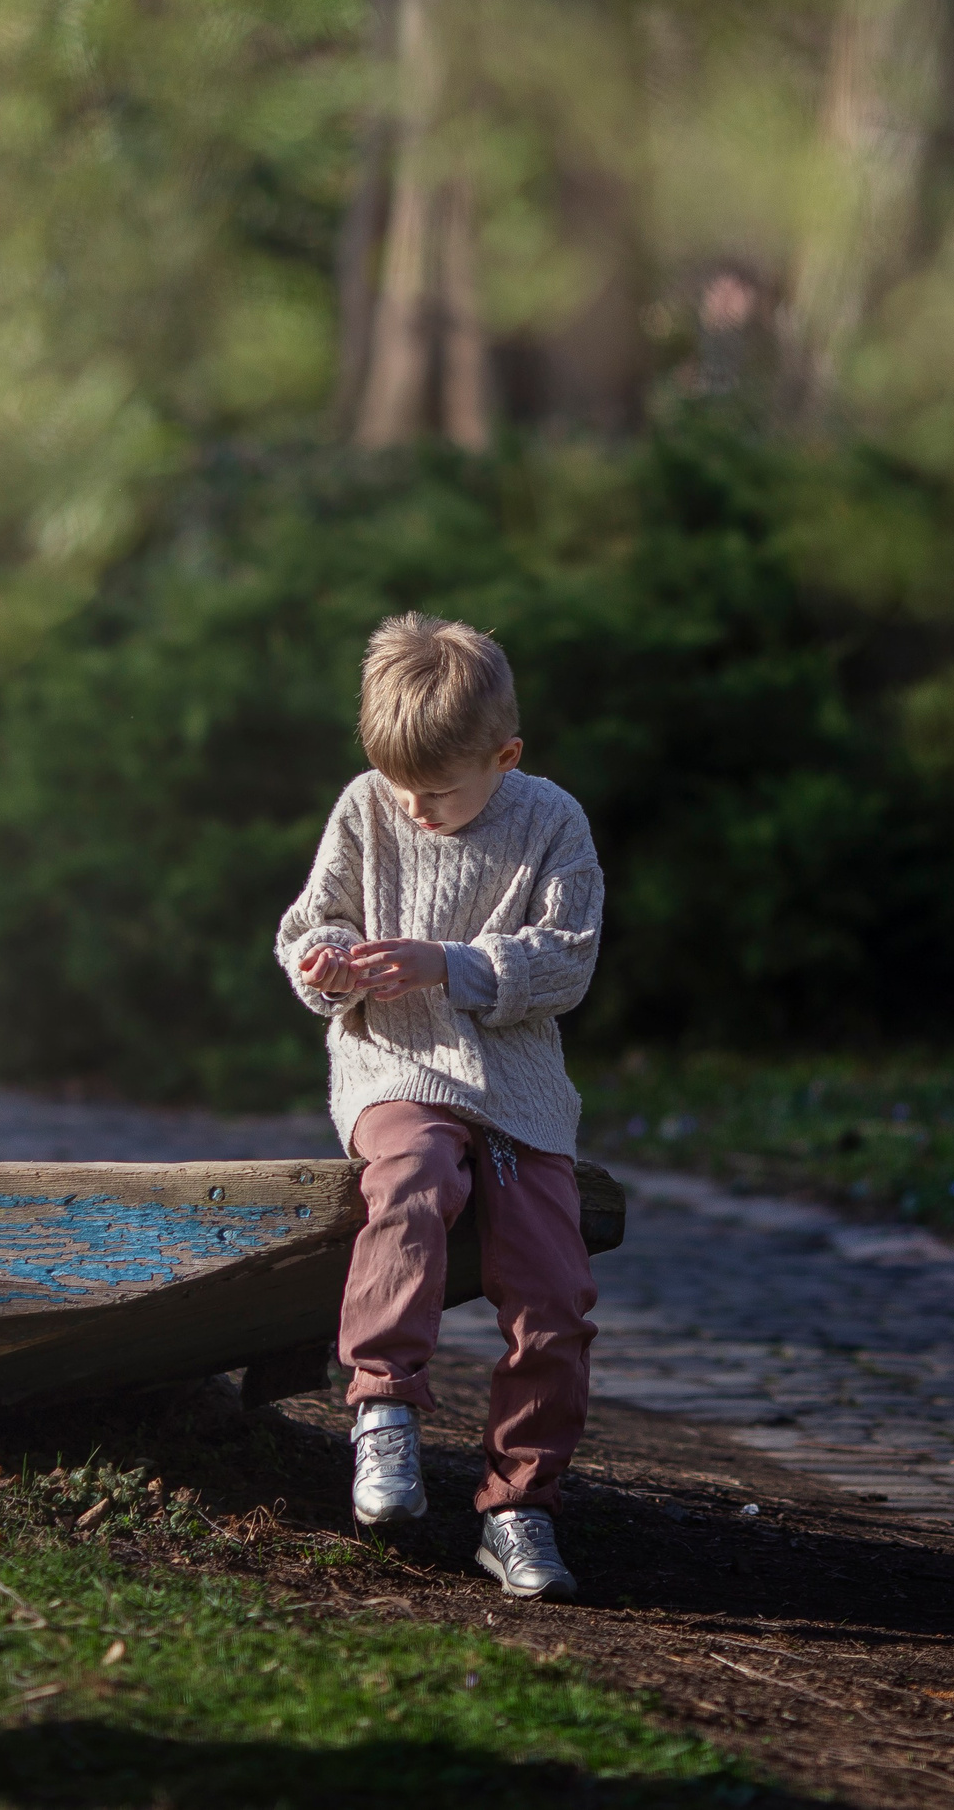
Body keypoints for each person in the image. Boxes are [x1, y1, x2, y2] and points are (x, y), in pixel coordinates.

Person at [274, 612, 604, 1601]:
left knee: (553, 1296)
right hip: (396, 1069)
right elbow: (312, 924)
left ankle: (520, 1505)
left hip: (516, 1095)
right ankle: (382, 1409)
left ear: (505, 756)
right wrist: (328, 963)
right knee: (414, 1178)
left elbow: (566, 961)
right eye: (399, 786)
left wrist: (449, 964)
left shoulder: (552, 822)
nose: (413, 809)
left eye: (437, 792)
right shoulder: (366, 807)